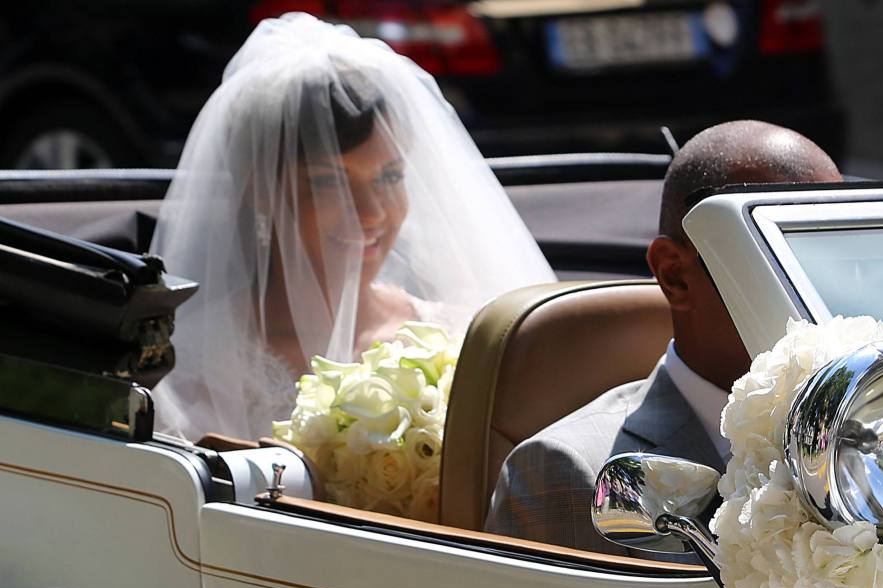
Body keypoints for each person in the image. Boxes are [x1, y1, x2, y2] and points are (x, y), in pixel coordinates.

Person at [150, 14, 555, 442]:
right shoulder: (195, 363)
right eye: (331, 182)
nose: (370, 212)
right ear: (260, 189)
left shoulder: (459, 339)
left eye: (390, 177)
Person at [483, 120, 842, 553]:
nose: (824, 293)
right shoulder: (572, 473)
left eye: (840, 258)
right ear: (676, 276)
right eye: (782, 261)